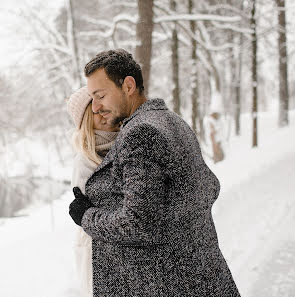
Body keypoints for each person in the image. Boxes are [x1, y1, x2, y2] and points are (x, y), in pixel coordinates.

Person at [68, 49, 241, 296]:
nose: (96, 107)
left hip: (170, 282)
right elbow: (207, 187)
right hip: (202, 275)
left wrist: (87, 216)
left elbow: (137, 224)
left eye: (100, 95)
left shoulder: (140, 134)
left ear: (128, 85)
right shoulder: (172, 121)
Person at [66, 86, 120, 297]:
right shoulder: (84, 159)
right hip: (96, 246)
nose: (104, 114)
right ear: (87, 119)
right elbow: (86, 208)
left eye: (106, 108)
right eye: (96, 112)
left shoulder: (129, 140)